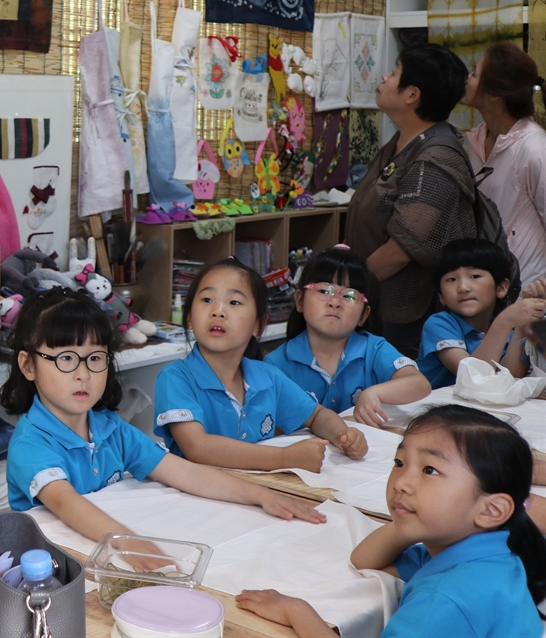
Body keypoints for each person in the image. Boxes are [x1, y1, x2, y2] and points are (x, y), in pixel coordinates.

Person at [1, 289, 325, 567]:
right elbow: (65, 502)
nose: (83, 374)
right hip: (56, 570)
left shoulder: (111, 428)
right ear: (28, 365)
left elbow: (185, 473)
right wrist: (128, 542)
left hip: (103, 557)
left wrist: (260, 495)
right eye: (66, 359)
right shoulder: (31, 443)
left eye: (95, 358)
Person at [236, 405, 546, 638]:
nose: (402, 482)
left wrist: (296, 611)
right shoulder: (486, 553)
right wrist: (408, 519)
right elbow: (366, 560)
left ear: (491, 510)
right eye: (400, 463)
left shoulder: (444, 599)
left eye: (430, 470)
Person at [153, 259, 368, 471]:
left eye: (234, 302)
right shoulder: (176, 378)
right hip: (198, 497)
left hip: (257, 492)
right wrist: (284, 458)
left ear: (258, 325)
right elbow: (197, 448)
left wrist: (343, 435)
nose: (218, 311)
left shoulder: (267, 377)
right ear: (189, 318)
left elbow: (317, 415)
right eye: (207, 300)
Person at [346, 44, 477, 355]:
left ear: (412, 95)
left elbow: (403, 248)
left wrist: (348, 287)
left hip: (404, 318)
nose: (384, 76)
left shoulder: (436, 159)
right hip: (373, 305)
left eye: (394, 73)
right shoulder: (401, 143)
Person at [265, 247, 430, 427]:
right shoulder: (276, 364)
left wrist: (373, 393)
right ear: (299, 300)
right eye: (323, 291)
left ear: (364, 315)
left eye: (349, 295)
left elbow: (420, 384)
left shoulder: (372, 349)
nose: (334, 302)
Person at [462, 42, 546, 291]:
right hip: (484, 291)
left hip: (528, 293)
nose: (468, 78)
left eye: (475, 74)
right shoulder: (473, 141)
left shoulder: (534, 148)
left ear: (495, 94)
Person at [418, 239, 546, 387]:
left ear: (501, 288)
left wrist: (523, 323)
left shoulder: (505, 330)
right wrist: (505, 320)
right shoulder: (439, 324)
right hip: (439, 407)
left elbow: (511, 378)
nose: (463, 287)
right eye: (451, 279)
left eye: (475, 276)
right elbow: (473, 378)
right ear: (441, 296)